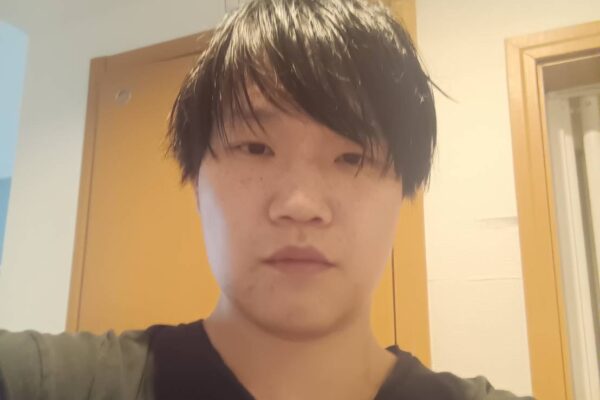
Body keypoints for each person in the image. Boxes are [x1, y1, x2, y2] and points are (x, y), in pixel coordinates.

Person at [0, 0, 534, 399]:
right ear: (196, 180)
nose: (300, 204)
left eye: (351, 157)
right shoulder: (52, 383)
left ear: (405, 188)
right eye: (255, 147)